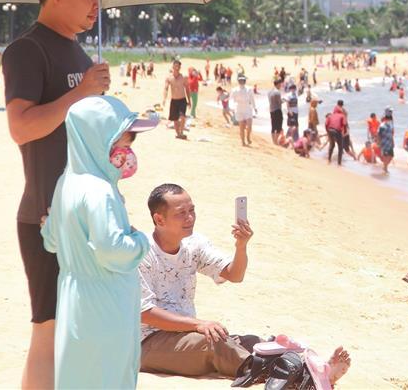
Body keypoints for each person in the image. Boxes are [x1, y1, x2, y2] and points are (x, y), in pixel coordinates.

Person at [2, 0, 111, 389]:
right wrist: (80, 92)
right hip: (46, 214)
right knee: (47, 328)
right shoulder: (27, 50)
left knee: (76, 328)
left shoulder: (80, 53)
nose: (96, 5)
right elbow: (21, 127)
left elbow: (78, 133)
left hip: (85, 213)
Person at [137, 184, 351, 385]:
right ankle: (306, 379)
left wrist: (241, 246)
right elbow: (144, 313)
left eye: (192, 210)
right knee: (216, 345)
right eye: (181, 213)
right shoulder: (141, 252)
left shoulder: (194, 244)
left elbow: (234, 274)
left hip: (186, 334)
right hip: (148, 343)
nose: (190, 217)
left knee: (254, 342)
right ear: (159, 219)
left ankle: (316, 368)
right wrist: (198, 324)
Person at [42, 96, 157, 389]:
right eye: (122, 144)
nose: (126, 154)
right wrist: (141, 240)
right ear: (97, 139)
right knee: (108, 374)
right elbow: (112, 250)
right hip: (105, 303)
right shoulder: (100, 191)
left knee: (78, 375)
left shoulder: (66, 182)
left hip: (73, 298)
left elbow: (51, 240)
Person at [163, 60, 190, 140]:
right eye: (175, 66)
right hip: (174, 100)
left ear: (180, 67)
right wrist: (164, 99)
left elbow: (187, 89)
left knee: (182, 117)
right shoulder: (169, 78)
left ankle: (181, 132)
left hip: (182, 100)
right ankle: (178, 134)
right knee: (175, 119)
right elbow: (166, 88)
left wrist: (189, 100)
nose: (177, 68)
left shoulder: (184, 77)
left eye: (178, 66)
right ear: (173, 67)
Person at [230, 74, 255, 147]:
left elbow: (252, 99)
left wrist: (255, 107)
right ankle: (243, 141)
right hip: (239, 109)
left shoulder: (249, 89)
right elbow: (231, 100)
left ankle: (248, 137)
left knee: (249, 125)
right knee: (241, 127)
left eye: (243, 80)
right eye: (240, 80)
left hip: (247, 108)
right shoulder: (234, 90)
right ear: (238, 81)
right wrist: (232, 108)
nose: (241, 81)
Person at [325, 101, 348, 166]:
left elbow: (326, 124)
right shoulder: (342, 115)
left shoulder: (330, 115)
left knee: (332, 145)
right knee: (340, 147)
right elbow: (344, 124)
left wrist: (327, 131)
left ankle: (329, 159)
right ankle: (339, 163)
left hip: (330, 130)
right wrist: (344, 132)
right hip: (337, 131)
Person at [268, 79, 284, 145]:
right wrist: (284, 100)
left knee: (273, 126)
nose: (281, 85)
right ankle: (276, 142)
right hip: (277, 110)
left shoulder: (269, 92)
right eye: (280, 84)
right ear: (278, 84)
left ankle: (273, 141)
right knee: (278, 126)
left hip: (271, 110)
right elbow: (279, 102)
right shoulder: (277, 92)